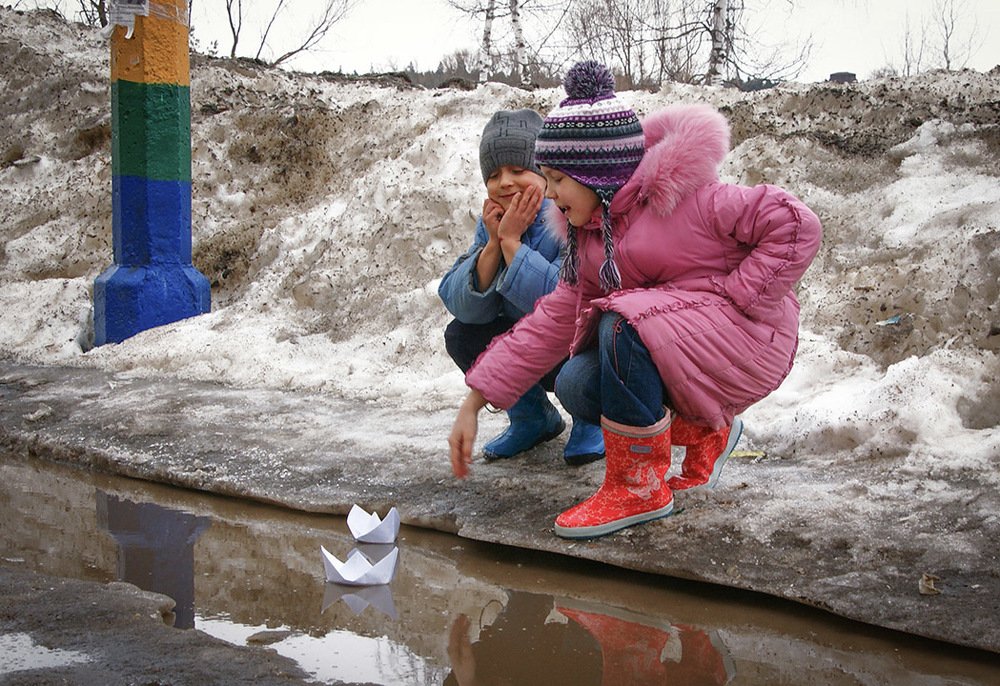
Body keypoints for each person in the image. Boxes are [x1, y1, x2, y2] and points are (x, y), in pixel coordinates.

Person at [448, 62, 822, 539]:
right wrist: (474, 402)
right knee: (577, 381)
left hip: (749, 335)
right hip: (677, 338)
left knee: (621, 319)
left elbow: (796, 225)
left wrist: (740, 296)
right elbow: (550, 323)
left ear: (595, 173)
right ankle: (707, 434)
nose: (552, 194)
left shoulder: (688, 199)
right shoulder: (590, 240)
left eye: (558, 180)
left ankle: (637, 486)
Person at [439, 108, 605, 466]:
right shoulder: (493, 223)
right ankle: (532, 417)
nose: (505, 183)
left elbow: (562, 304)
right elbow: (463, 305)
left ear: (546, 175)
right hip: (526, 352)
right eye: (494, 175)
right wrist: (495, 244)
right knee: (461, 334)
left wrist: (513, 243)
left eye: (518, 170)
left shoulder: (569, 216)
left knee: (582, 357)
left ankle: (590, 420)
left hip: (573, 347)